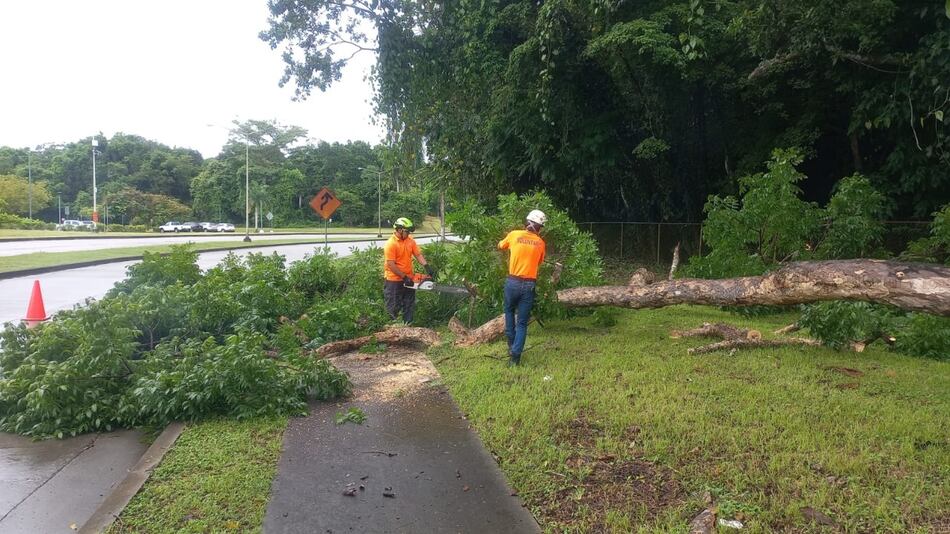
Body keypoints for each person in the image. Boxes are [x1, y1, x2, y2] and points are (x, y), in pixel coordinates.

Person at [497, 209, 547, 366]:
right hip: (529, 284)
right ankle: (515, 357)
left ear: (527, 222)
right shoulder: (540, 243)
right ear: (539, 227)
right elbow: (539, 262)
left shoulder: (514, 235)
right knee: (522, 322)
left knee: (509, 312)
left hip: (512, 282)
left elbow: (500, 245)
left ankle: (511, 345)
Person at [383, 217, 434, 324]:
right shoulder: (391, 244)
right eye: (407, 231)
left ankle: (408, 326)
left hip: (409, 279)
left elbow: (418, 255)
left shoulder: (410, 241)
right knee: (393, 307)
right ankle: (392, 329)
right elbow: (391, 264)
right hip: (394, 280)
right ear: (399, 230)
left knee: (409, 305)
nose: (409, 234)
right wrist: (404, 277)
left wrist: (427, 266)